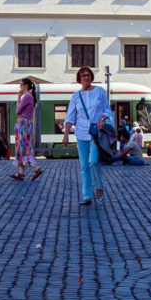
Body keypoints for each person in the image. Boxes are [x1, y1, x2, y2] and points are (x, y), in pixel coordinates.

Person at [65, 65, 111, 207]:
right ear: (79, 79)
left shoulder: (100, 92)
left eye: (88, 75)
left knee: (93, 162)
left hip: (96, 133)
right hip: (81, 132)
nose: (86, 77)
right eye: (83, 75)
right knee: (84, 166)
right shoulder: (75, 96)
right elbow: (70, 116)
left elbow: (107, 110)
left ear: (92, 77)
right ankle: (87, 196)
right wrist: (66, 134)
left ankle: (99, 187)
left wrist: (102, 120)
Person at [13, 78, 41, 181]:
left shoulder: (27, 97)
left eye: (21, 85)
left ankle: (36, 168)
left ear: (25, 86)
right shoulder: (29, 97)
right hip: (25, 124)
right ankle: (21, 173)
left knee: (24, 147)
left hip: (23, 124)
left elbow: (18, 110)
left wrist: (19, 98)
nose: (20, 87)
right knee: (22, 147)